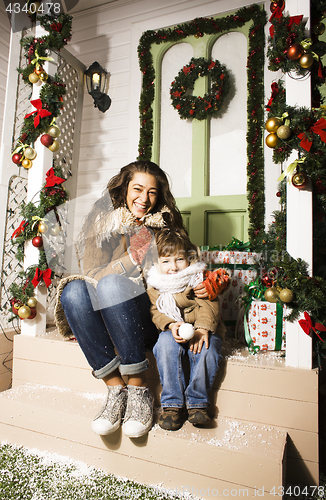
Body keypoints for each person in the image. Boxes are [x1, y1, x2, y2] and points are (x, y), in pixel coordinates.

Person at [54, 160, 189, 439]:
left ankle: (139, 391)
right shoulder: (102, 223)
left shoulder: (165, 224)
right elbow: (92, 275)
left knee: (113, 285)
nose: (144, 199)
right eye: (137, 189)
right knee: (74, 291)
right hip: (109, 313)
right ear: (124, 189)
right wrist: (130, 259)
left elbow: (180, 272)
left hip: (149, 315)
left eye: (152, 192)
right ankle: (115, 389)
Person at [146, 228, 228, 431]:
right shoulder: (156, 284)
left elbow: (209, 305)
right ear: (156, 263)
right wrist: (171, 325)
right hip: (174, 329)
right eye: (166, 261)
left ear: (189, 259)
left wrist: (202, 329)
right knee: (164, 345)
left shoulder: (197, 278)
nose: (173, 267)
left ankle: (197, 403)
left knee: (208, 349)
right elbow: (156, 312)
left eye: (179, 260)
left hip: (202, 327)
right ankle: (172, 404)